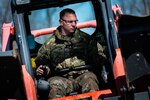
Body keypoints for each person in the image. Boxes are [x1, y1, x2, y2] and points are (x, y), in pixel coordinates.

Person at [35, 8, 107, 99]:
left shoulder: (86, 39)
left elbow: (100, 57)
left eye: (75, 21)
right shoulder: (49, 44)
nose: (74, 24)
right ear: (61, 22)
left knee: (90, 80)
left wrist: (98, 59)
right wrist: (43, 69)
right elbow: (42, 62)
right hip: (60, 78)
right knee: (53, 86)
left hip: (83, 75)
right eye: (70, 22)